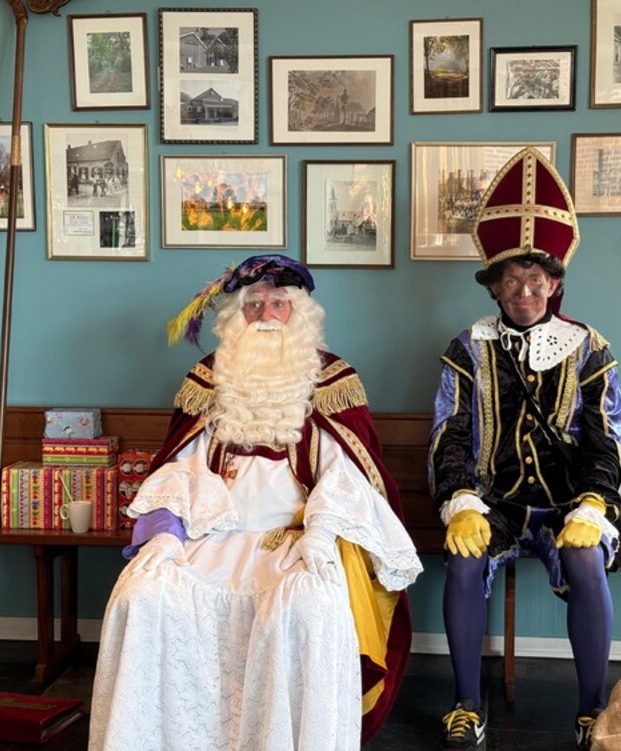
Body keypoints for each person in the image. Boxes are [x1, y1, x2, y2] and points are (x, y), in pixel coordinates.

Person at [89, 254, 422, 751]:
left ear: (300, 313)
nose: (266, 315)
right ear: (235, 317)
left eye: (279, 304)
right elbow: (181, 467)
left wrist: (321, 533)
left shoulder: (332, 380)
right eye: (254, 305)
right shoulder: (208, 380)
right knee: (143, 595)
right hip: (210, 535)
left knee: (308, 605)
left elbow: (348, 476)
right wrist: (165, 533)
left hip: (291, 541)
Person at [428, 148, 621, 751]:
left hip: (568, 504)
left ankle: (592, 709)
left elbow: (606, 437)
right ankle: (466, 705)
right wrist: (461, 500)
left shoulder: (588, 347)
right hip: (495, 503)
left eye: (535, 280)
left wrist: (594, 505)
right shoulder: (468, 347)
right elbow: (449, 432)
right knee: (463, 559)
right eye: (511, 281)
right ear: (495, 287)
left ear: (554, 283)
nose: (524, 291)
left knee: (586, 561)